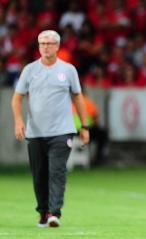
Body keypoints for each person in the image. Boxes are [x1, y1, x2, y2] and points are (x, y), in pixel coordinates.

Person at [11, 30, 89, 228]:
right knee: (39, 174)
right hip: (35, 131)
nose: (45, 47)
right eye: (42, 43)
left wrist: (85, 125)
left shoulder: (68, 70)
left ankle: (55, 213)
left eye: (49, 43)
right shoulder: (29, 70)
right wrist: (19, 121)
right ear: (38, 46)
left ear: (57, 46)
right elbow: (17, 97)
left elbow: (78, 97)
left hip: (62, 131)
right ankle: (43, 212)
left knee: (57, 171)